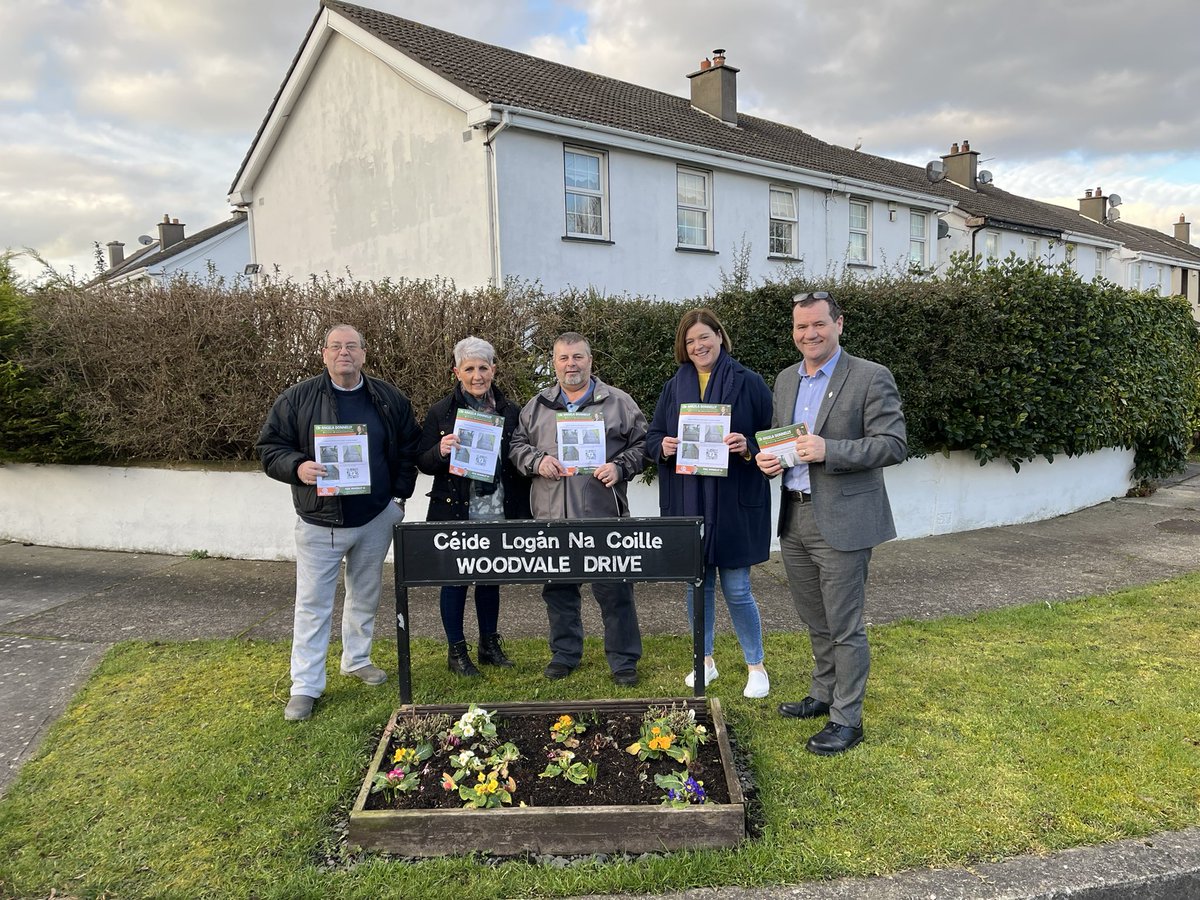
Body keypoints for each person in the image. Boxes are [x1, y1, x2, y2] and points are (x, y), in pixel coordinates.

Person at [756, 292, 906, 755]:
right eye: (801, 328)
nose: (810, 335)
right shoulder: (785, 380)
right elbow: (786, 440)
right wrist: (770, 460)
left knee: (844, 625)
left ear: (839, 324)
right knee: (814, 618)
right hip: (795, 514)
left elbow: (894, 444)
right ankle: (823, 694)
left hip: (843, 520)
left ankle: (847, 719)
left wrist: (831, 451)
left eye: (818, 325)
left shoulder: (869, 376)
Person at [257, 324, 420, 722]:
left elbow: (408, 447)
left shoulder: (387, 397)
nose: (344, 353)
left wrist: (398, 500)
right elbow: (269, 448)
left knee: (365, 594)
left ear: (364, 354)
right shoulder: (297, 399)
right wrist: (297, 467)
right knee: (313, 605)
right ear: (324, 354)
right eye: (336, 346)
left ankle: (357, 659)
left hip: (376, 517)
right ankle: (305, 686)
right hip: (320, 522)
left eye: (352, 346)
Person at [645, 309, 774, 699]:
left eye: (704, 337)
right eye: (690, 341)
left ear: (720, 336)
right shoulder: (674, 386)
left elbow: (771, 437)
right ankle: (705, 661)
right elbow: (653, 436)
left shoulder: (748, 381)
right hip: (689, 502)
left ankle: (756, 666)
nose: (698, 346)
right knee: (696, 589)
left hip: (733, 502)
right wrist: (663, 447)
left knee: (737, 589)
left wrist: (747, 446)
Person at [509, 332, 647, 686]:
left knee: (615, 590)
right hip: (551, 516)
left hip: (604, 516)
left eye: (578, 357)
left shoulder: (618, 402)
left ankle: (623, 660)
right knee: (558, 590)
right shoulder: (537, 406)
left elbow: (644, 444)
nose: (571, 364)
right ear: (554, 363)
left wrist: (620, 466)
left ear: (590, 360)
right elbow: (516, 445)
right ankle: (565, 654)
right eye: (564, 358)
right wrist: (536, 462)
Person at [416, 336, 531, 677]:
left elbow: (519, 457)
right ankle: (456, 651)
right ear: (457, 372)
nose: (477, 375)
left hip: (497, 506)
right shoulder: (441, 412)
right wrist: (441, 450)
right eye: (469, 368)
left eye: (483, 367)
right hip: (456, 509)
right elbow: (423, 461)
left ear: (494, 370)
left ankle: (488, 644)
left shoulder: (512, 411)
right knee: (454, 580)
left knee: (490, 579)